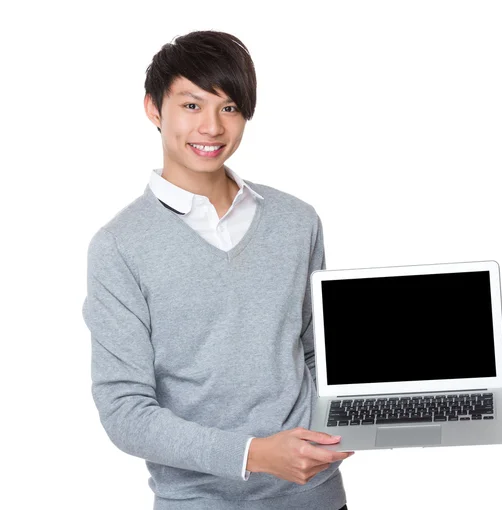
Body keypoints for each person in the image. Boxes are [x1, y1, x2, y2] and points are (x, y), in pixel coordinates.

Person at [81, 30, 353, 510]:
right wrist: (256, 455)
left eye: (228, 107)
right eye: (191, 105)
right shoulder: (119, 247)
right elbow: (125, 412)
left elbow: (315, 355)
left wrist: (340, 428)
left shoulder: (297, 221)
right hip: (198, 501)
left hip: (315, 497)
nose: (211, 127)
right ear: (153, 108)